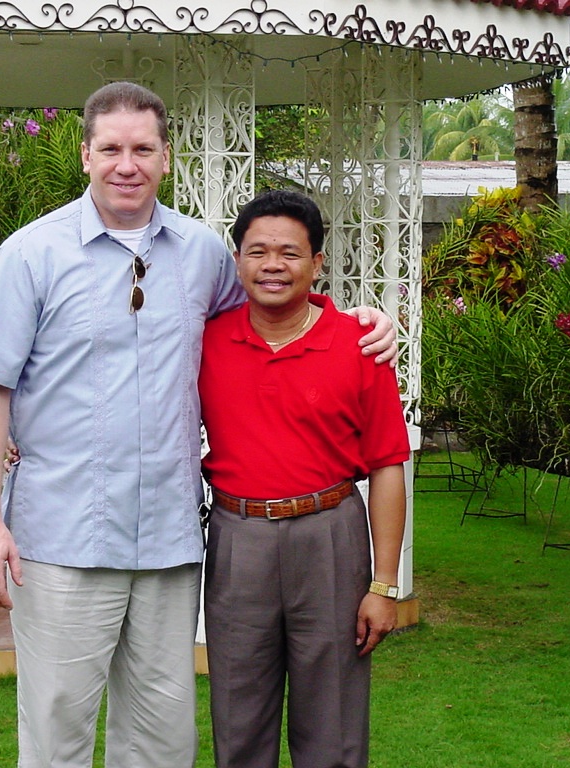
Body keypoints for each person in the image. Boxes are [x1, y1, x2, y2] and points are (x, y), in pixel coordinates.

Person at [0, 82, 398, 768]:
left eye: (142, 148)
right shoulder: (31, 254)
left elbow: (273, 303)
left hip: (168, 544)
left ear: (166, 157)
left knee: (161, 740)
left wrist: (361, 321)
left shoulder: (202, 254)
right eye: (110, 148)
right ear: (85, 156)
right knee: (56, 730)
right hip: (63, 538)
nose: (125, 164)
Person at [199, 189, 410, 768]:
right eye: (258, 251)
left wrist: (384, 584)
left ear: (317, 264)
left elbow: (389, 466)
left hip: (331, 537)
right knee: (239, 723)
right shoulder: (205, 342)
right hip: (239, 540)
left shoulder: (360, 345)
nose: (273, 265)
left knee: (334, 730)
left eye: (290, 253)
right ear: (237, 260)